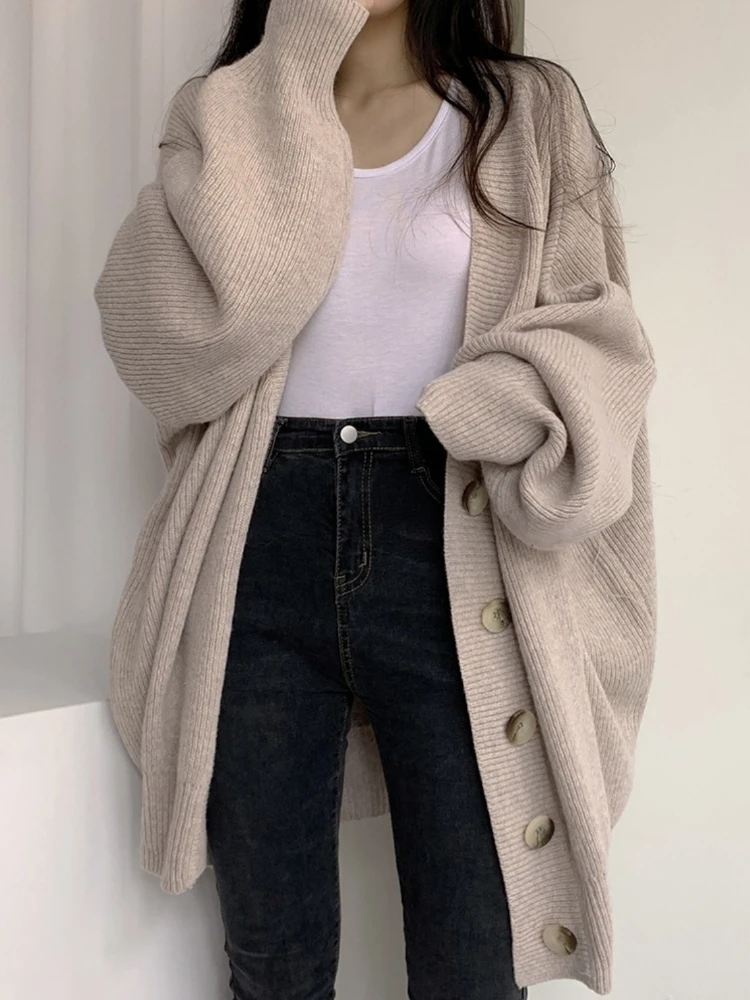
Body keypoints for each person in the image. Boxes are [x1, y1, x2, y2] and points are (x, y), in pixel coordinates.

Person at [93, 0, 657, 997]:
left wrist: (496, 400)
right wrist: (294, 66)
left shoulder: (523, 112)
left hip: (457, 550)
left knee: (475, 965)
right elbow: (159, 339)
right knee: (273, 966)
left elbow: (601, 337)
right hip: (255, 552)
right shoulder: (225, 118)